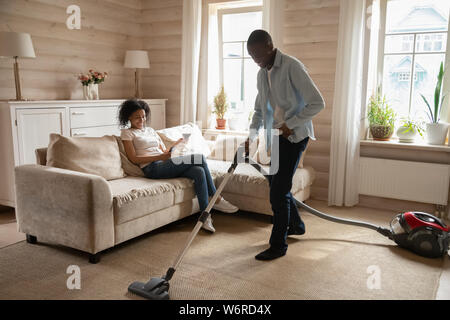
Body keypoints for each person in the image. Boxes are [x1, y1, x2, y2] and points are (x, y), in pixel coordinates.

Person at [245, 30, 325, 260]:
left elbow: (317, 103)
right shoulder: (262, 74)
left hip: (296, 135)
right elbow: (260, 110)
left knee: (278, 192)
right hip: (277, 136)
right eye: (251, 55)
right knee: (277, 184)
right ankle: (296, 225)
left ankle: (278, 245)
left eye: (258, 53)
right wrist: (251, 137)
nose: (256, 60)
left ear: (270, 46)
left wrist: (291, 123)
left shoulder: (292, 66)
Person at [119, 99, 239, 233]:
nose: (141, 120)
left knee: (198, 171)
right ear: (128, 117)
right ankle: (216, 198)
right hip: (152, 168)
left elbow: (164, 152)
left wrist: (175, 145)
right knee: (199, 158)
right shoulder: (127, 133)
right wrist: (161, 157)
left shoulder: (151, 131)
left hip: (164, 162)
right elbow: (133, 158)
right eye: (137, 117)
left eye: (143, 116)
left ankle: (205, 217)